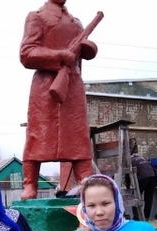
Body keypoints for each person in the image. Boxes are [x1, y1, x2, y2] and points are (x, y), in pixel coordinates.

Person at [19, 0, 98, 199]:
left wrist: (89, 48)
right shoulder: (36, 16)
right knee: (38, 134)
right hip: (45, 87)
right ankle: (30, 185)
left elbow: (82, 51)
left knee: (78, 136)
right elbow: (27, 53)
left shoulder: (76, 22)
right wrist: (59, 55)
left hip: (73, 86)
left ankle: (85, 183)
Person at [129, 138, 156, 221]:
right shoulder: (142, 158)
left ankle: (136, 218)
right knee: (149, 197)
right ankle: (146, 217)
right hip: (152, 175)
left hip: (142, 177)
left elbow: (128, 174)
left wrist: (127, 185)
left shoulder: (130, 160)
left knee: (135, 196)